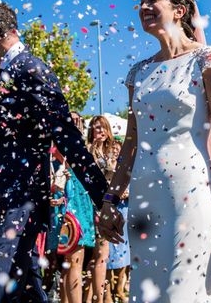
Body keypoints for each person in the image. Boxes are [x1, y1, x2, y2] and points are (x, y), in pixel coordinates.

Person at [98, 0, 211, 302]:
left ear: (180, 10)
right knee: (148, 294)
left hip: (191, 197)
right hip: (144, 203)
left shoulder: (207, 60)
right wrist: (110, 200)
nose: (143, 7)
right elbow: (131, 144)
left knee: (184, 292)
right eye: (142, 1)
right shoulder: (138, 73)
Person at [0, 0, 108, 303]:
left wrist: (102, 195)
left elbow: (67, 137)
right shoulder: (10, 71)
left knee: (0, 290)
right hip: (7, 201)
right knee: (24, 288)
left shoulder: (29, 69)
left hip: (17, 204)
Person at [43, 145, 96, 303]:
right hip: (72, 222)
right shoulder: (66, 169)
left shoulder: (61, 168)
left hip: (70, 220)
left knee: (68, 265)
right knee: (74, 265)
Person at [85, 116, 116, 303]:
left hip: (111, 205)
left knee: (101, 256)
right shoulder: (89, 151)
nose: (101, 132)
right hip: (95, 207)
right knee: (101, 256)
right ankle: (99, 299)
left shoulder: (112, 152)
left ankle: (95, 297)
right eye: (97, 128)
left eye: (104, 128)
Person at [104, 137, 130, 303]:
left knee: (124, 251)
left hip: (126, 208)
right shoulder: (107, 165)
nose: (115, 150)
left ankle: (119, 289)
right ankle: (108, 292)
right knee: (111, 252)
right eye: (112, 148)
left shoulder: (127, 164)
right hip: (111, 208)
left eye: (117, 148)